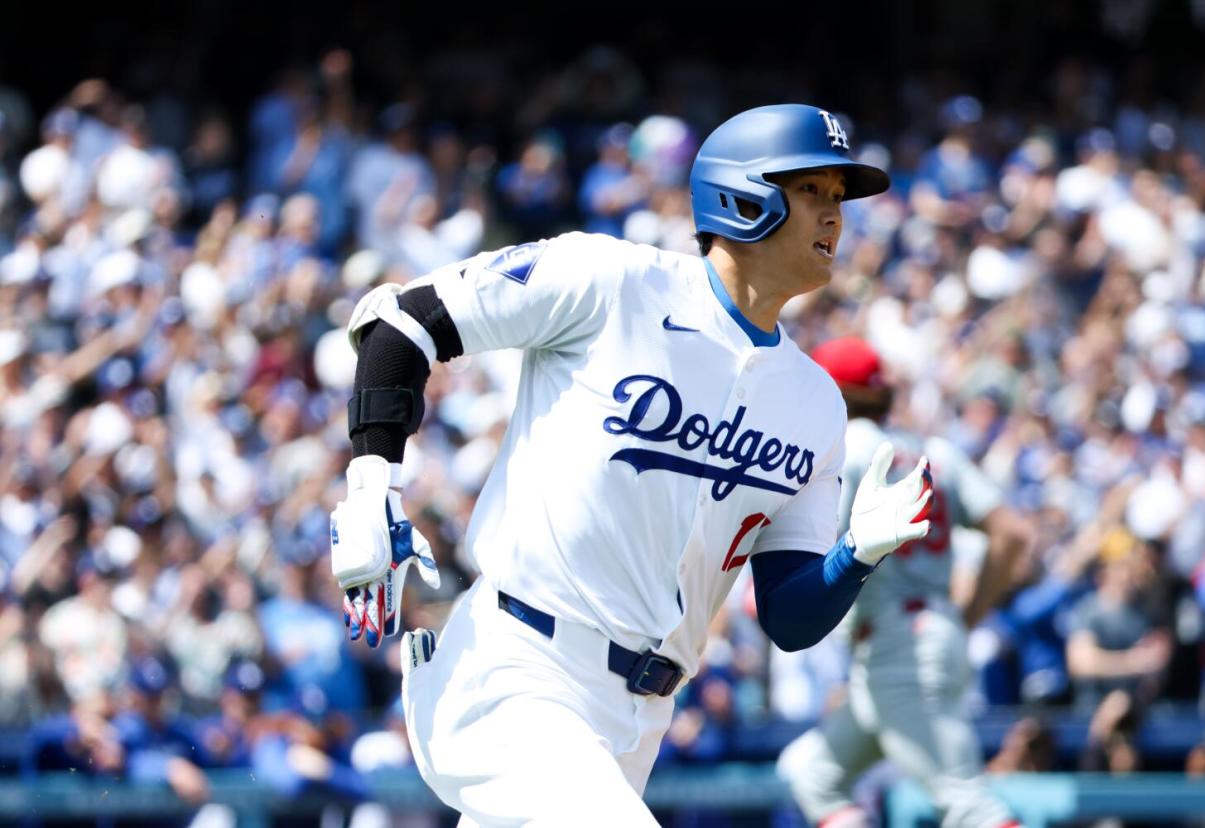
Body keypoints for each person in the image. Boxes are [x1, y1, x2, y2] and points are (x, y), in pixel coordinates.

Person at [329, 104, 934, 826]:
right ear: (743, 195)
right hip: (516, 668)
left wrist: (855, 554)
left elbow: (789, 617)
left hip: (641, 719)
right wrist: (370, 485)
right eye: (814, 190)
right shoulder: (612, 280)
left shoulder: (815, 404)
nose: (835, 216)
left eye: (840, 198)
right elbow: (403, 324)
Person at [777, 336, 1033, 828]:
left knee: (968, 805)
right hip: (918, 636)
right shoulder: (936, 453)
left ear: (833, 390)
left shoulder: (848, 452)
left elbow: (817, 550)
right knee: (816, 778)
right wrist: (968, 613)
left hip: (901, 649)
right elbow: (1013, 534)